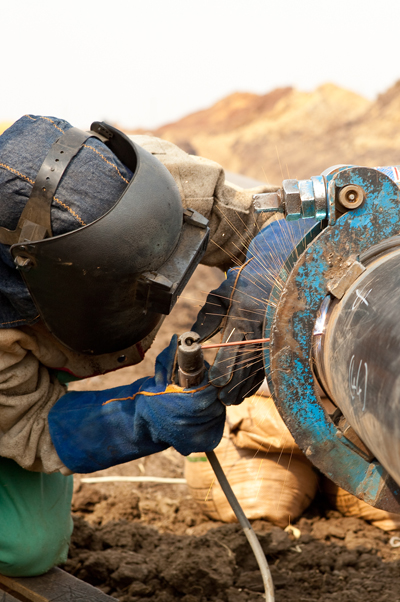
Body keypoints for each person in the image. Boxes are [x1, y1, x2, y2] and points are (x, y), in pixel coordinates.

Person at [0, 114, 290, 578]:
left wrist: (281, 242)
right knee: (26, 545)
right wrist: (138, 418)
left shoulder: (143, 185)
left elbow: (258, 219)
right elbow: (26, 425)